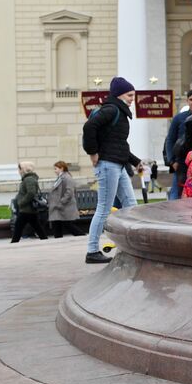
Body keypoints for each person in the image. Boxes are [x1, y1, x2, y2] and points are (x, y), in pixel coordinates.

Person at [82, 76, 140, 265]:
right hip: (108, 164)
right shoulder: (111, 109)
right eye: (130, 95)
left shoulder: (119, 112)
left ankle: (131, 246)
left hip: (118, 163)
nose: (132, 98)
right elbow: (89, 126)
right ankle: (92, 251)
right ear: (120, 94)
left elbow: (119, 143)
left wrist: (135, 161)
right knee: (104, 208)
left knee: (131, 204)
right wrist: (92, 153)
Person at [164, 89, 192, 200]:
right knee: (176, 194)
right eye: (191, 99)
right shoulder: (179, 118)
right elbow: (170, 140)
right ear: (187, 101)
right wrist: (172, 161)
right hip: (181, 162)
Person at [10, 162, 50, 242]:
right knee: (36, 227)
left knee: (18, 226)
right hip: (28, 209)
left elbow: (31, 193)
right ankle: (44, 239)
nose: (18, 171)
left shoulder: (29, 179)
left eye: (19, 169)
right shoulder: (28, 178)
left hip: (27, 208)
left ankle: (14, 242)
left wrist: (21, 202)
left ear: (24, 169)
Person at [46, 160, 82, 237]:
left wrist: (61, 202)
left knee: (67, 224)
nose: (54, 171)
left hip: (63, 206)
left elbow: (69, 192)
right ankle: (58, 239)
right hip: (59, 207)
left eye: (56, 169)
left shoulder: (67, 178)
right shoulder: (61, 177)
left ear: (61, 168)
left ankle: (81, 236)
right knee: (57, 223)